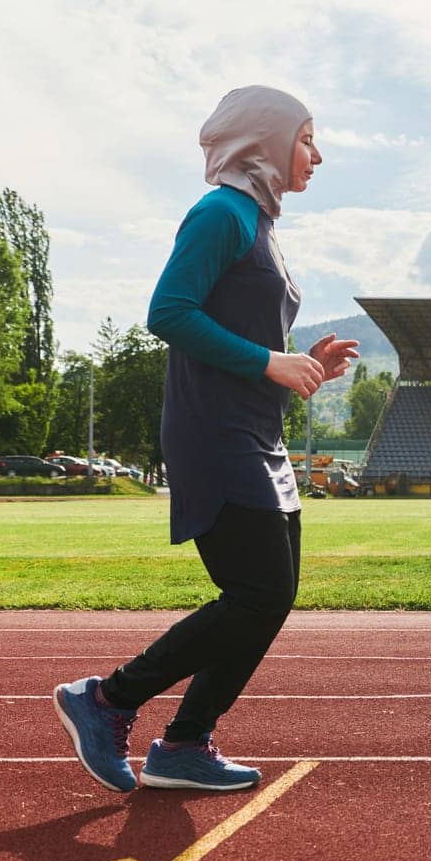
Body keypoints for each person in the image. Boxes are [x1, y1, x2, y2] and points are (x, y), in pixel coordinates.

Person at [53, 85, 357, 792]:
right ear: (266, 139)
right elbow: (168, 311)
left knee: (269, 596)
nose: (318, 152)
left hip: (259, 431)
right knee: (257, 590)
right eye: (308, 137)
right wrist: (269, 361)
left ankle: (185, 742)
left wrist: (301, 360)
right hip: (217, 435)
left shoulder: (259, 223)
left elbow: (244, 333)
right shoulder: (221, 211)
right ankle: (104, 700)